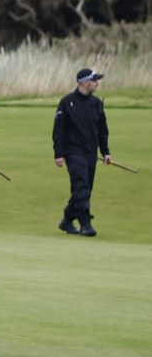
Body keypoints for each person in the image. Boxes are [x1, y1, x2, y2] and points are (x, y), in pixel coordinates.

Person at [52, 68, 112, 237]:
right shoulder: (67, 102)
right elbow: (59, 130)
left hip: (91, 153)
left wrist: (106, 152)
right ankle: (85, 223)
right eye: (94, 80)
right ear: (85, 82)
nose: (97, 83)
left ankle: (67, 218)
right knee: (81, 188)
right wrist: (58, 153)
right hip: (73, 152)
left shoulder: (96, 103)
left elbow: (102, 130)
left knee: (85, 190)